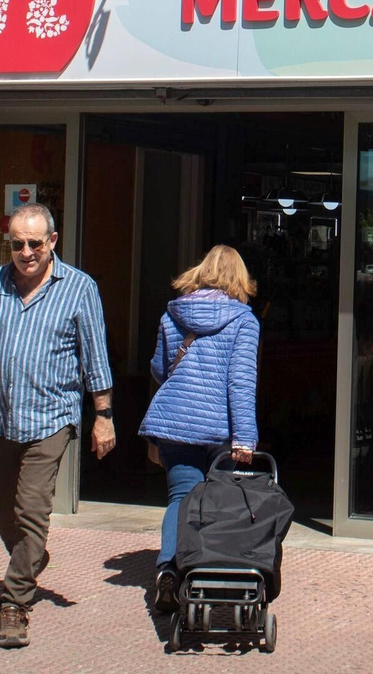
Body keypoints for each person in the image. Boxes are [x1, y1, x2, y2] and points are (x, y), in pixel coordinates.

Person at [0, 203, 116, 649]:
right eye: (17, 244)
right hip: (1, 416)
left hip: (52, 418)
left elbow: (95, 359)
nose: (25, 252)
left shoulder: (80, 288)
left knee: (31, 509)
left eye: (34, 243)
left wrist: (103, 417)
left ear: (53, 242)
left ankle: (15, 603)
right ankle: (32, 557)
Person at [138, 244, 261, 614]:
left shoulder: (172, 315)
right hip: (220, 429)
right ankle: (206, 573)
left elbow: (160, 370)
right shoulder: (244, 321)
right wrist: (244, 437)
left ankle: (168, 570)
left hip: (174, 423)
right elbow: (240, 382)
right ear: (239, 278)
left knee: (180, 499)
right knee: (220, 504)